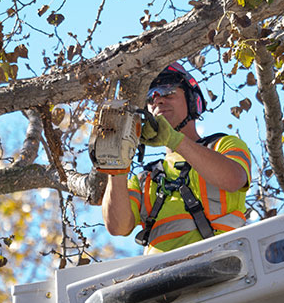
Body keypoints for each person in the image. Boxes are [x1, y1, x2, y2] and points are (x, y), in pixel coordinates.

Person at [102, 62, 252, 254]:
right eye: (150, 97)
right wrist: (116, 167)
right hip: (161, 276)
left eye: (167, 91)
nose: (158, 101)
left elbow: (233, 179)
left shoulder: (222, 145)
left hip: (223, 260)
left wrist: (175, 140)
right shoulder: (144, 179)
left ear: (191, 100)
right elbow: (118, 227)